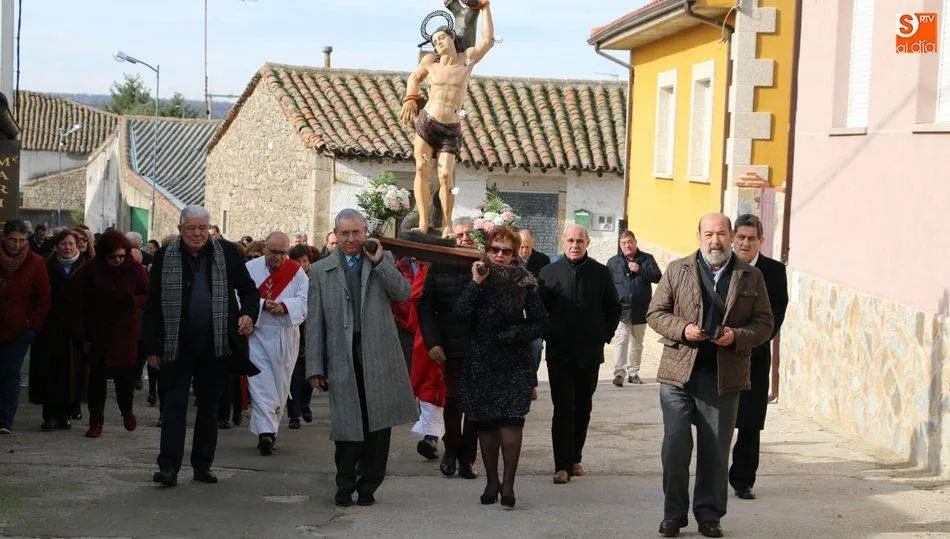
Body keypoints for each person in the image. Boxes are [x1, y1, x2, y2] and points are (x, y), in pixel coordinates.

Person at [647, 213, 773, 538]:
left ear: (731, 236)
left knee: (715, 451)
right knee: (675, 445)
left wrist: (737, 337)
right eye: (708, 233)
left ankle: (709, 515)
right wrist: (683, 329)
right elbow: (655, 313)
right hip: (678, 374)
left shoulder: (751, 276)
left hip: (723, 376)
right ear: (698, 235)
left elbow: (764, 324)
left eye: (721, 233)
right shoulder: (678, 269)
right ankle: (673, 514)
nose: (714, 240)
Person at [306, 208, 417, 507]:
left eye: (357, 232)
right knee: (346, 426)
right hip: (342, 356)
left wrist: (380, 261)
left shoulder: (383, 261)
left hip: (378, 355)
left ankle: (369, 486)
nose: (351, 239)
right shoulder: (320, 270)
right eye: (345, 233)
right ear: (335, 235)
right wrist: (314, 366)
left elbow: (404, 293)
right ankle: (344, 483)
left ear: (366, 232)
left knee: (377, 425)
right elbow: (314, 323)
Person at [144, 205, 260, 487]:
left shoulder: (228, 253)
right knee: (174, 406)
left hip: (215, 343)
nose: (197, 233)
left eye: (202, 228)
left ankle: (202, 465)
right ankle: (168, 467)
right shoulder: (164, 256)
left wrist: (247, 314)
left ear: (209, 229)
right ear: (180, 229)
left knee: (209, 408)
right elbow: (152, 304)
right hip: (176, 344)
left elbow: (249, 290)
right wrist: (150, 347)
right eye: (190, 228)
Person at [455, 226, 548, 509]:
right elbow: (460, 313)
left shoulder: (525, 282)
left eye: (506, 251)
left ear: (515, 253)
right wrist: (475, 283)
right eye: (495, 249)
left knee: (510, 424)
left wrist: (518, 334)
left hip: (513, 362)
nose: (499, 255)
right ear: (487, 249)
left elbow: (541, 322)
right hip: (481, 360)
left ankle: (508, 484)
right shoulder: (477, 275)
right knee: (486, 426)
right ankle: (491, 481)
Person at [400, 0, 494, 237]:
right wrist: (411, 97)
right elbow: (413, 78)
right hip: (427, 123)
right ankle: (422, 222)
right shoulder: (430, 63)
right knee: (421, 168)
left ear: (452, 37)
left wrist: (486, 9)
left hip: (450, 128)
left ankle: (447, 224)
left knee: (445, 175)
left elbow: (488, 41)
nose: (438, 43)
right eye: (434, 42)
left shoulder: (467, 59)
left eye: (441, 38)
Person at [538, 224, 621, 484]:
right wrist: (549, 334)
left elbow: (614, 309)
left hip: (589, 352)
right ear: (563, 242)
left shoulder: (600, 272)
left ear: (588, 243)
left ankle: (575, 458)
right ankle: (561, 465)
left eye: (580, 241)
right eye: (571, 240)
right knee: (563, 408)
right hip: (559, 353)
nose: (575, 245)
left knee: (583, 407)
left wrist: (603, 336)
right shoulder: (548, 273)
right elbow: (539, 311)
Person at [728, 214, 788, 501]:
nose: (745, 243)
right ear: (732, 238)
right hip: (721, 355)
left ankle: (742, 480)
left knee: (750, 422)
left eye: (751, 238)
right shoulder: (721, 266)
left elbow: (775, 318)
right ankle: (713, 476)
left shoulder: (773, 272)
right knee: (719, 419)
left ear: (760, 241)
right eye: (740, 237)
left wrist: (742, 338)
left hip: (755, 355)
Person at [417, 216, 480, 479]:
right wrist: (432, 342)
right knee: (453, 401)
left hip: (478, 347)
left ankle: (468, 458)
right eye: (459, 235)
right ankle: (451, 452)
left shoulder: (483, 266)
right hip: (450, 348)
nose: (464, 239)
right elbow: (426, 306)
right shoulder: (439, 266)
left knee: (475, 405)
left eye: (469, 235)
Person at [73, 230, 149, 438]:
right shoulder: (90, 271)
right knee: (96, 381)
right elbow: (78, 300)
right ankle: (96, 421)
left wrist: (133, 301)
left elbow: (146, 293)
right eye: (112, 257)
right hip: (98, 333)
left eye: (121, 256)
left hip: (124, 333)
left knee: (125, 379)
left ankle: (127, 411)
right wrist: (80, 329)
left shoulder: (134, 269)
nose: (117, 260)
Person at [246, 231, 309, 455]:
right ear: (265, 249)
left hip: (285, 337)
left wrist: (284, 307)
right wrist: (263, 304)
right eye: (274, 252)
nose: (279, 258)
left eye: (283, 253)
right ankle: (266, 434)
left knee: (280, 385)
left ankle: (270, 429)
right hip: (259, 336)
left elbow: (304, 300)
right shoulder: (251, 269)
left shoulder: (297, 272)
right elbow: (240, 296)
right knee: (260, 382)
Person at [29, 229, 87, 430]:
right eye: (63, 244)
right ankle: (49, 415)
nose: (67, 248)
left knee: (72, 372)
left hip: (76, 328)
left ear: (77, 245)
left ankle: (66, 414)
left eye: (71, 244)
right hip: (51, 327)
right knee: (50, 371)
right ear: (56, 246)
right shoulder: (47, 266)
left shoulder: (85, 267)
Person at [0, 220, 51, 434]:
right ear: (4, 238)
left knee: (10, 373)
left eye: (21, 240)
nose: (17, 245)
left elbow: (43, 297)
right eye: (13, 240)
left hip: (18, 329)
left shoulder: (35, 262)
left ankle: (4, 419)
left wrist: (31, 325)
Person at [607, 230, 661, 387]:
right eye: (623, 243)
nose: (627, 245)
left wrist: (640, 270)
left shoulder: (647, 259)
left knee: (637, 342)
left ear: (635, 242)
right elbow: (607, 284)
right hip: (622, 309)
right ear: (620, 245)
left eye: (629, 242)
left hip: (641, 308)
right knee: (621, 340)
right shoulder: (613, 262)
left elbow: (658, 277)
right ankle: (619, 374)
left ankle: (633, 373)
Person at [286, 244, 319, 429]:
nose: (302, 265)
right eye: (297, 261)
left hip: (311, 332)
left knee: (309, 372)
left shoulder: (315, 278)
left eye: (305, 261)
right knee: (293, 375)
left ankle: (305, 405)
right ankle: (293, 414)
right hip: (294, 330)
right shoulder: (289, 280)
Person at [518, 228, 550, 400]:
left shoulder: (542, 260)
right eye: (521, 247)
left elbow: (545, 288)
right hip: (514, 315)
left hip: (534, 314)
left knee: (536, 347)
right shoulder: (510, 259)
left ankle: (530, 383)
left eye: (527, 248)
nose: (524, 252)